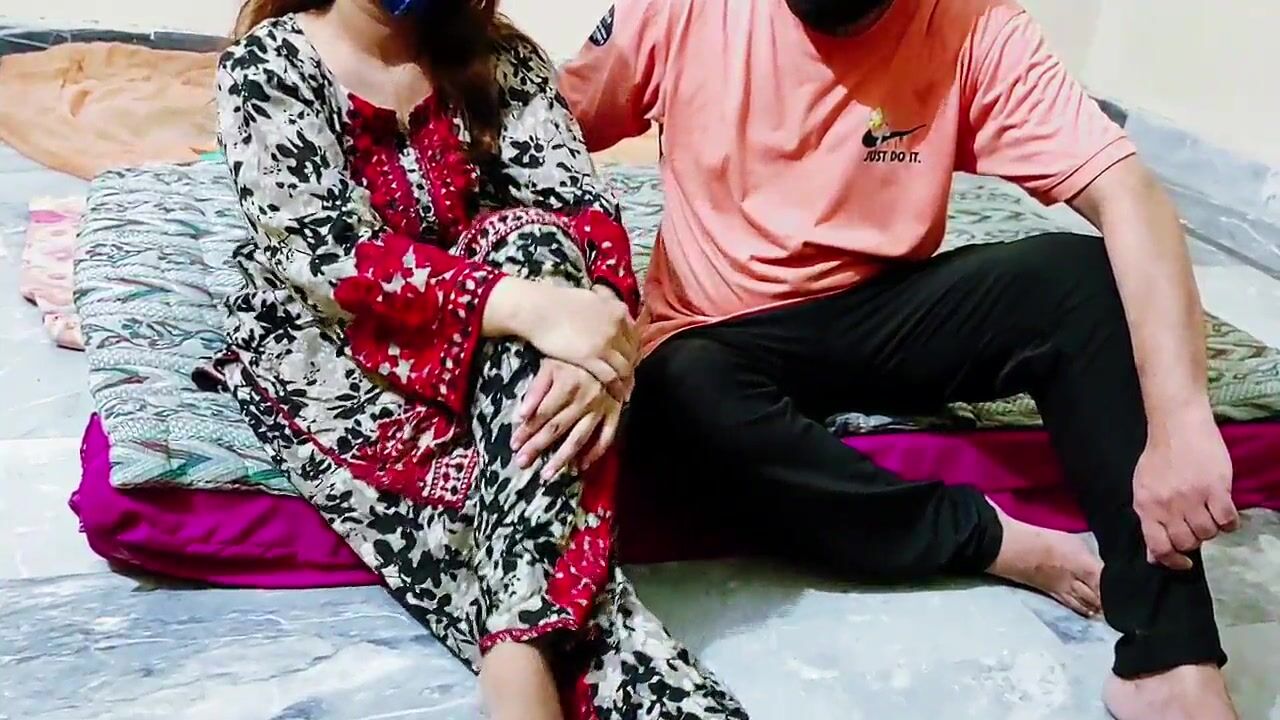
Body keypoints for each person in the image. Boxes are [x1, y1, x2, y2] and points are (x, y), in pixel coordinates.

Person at [557, 0, 1241, 718]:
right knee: (675, 388)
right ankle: (984, 538)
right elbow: (543, 135)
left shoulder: (971, 22)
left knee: (1079, 281)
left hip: (883, 311)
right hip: (717, 332)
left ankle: (1171, 656)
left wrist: (1181, 420)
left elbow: (1127, 191)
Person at [214, 1, 748, 717]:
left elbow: (582, 211)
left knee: (536, 242)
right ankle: (532, 653)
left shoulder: (501, 58)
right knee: (551, 565)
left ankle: (515, 650)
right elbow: (329, 255)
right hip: (344, 356)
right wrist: (530, 309)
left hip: (511, 360)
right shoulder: (269, 65)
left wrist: (594, 340)